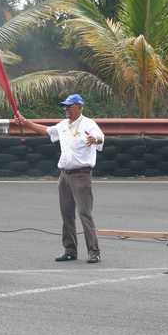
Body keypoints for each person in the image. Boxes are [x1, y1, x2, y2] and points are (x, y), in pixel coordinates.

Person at [16, 94, 104, 263]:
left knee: (85, 213)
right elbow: (47, 131)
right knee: (66, 214)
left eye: (69, 106)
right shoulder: (63, 125)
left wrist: (95, 139)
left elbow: (100, 137)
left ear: (79, 107)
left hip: (81, 174)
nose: (66, 109)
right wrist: (26, 123)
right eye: (65, 106)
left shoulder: (88, 124)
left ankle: (94, 251)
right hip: (65, 174)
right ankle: (70, 250)